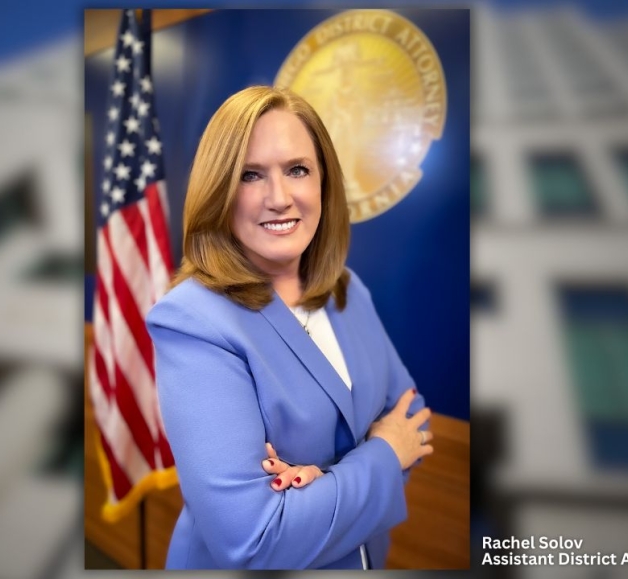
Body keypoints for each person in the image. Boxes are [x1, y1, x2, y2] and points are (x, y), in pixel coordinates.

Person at [145, 85, 434, 570]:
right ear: (219, 191)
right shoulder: (192, 320)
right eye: (250, 175)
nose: (279, 198)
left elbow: (414, 421)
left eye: (297, 169)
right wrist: (383, 455)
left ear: (324, 183)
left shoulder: (346, 289)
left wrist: (328, 488)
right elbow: (253, 538)